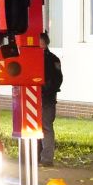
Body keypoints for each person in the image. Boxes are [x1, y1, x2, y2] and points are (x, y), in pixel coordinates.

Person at [39, 32, 63, 166]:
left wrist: (47, 88)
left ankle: (47, 159)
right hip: (39, 97)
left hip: (47, 98)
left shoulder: (53, 59)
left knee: (46, 127)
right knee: (38, 128)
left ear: (44, 42)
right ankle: (37, 157)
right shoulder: (51, 59)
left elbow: (58, 79)